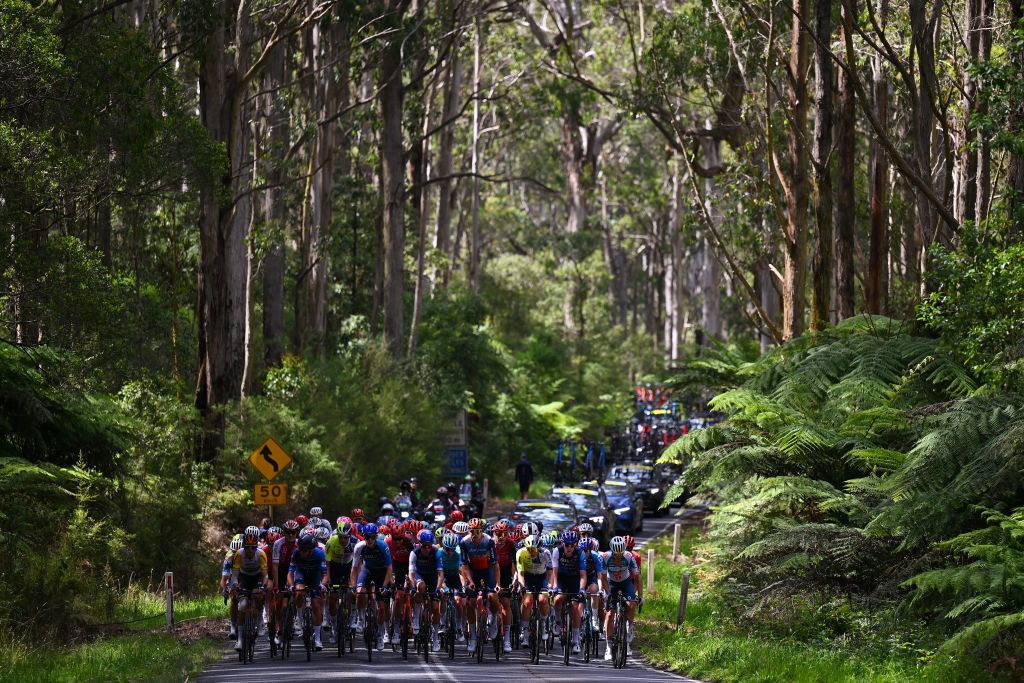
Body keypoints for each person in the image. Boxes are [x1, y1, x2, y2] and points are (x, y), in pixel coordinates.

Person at [287, 531, 329, 650]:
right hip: (301, 575)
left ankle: (317, 639)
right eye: (300, 549)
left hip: (315, 577)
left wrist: (322, 585)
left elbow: (325, 574)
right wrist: (291, 586)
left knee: (316, 605)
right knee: (299, 592)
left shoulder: (319, 554)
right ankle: (300, 620)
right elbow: (290, 572)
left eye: (303, 550)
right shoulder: (296, 553)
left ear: (311, 549)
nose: (301, 552)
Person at [602, 536, 640, 660]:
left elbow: (638, 578)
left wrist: (640, 596)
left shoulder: (629, 556)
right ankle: (608, 646)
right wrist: (607, 593)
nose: (618, 556)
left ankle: (629, 626)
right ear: (611, 550)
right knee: (609, 614)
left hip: (625, 582)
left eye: (620, 553)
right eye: (616, 553)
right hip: (611, 583)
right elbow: (602, 577)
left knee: (630, 604)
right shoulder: (606, 557)